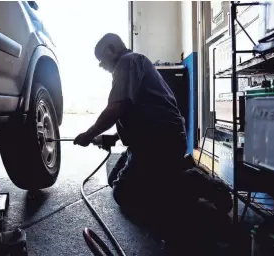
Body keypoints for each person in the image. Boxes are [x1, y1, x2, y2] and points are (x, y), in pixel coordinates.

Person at [74, 33, 189, 211]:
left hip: (162, 142)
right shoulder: (133, 63)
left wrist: (89, 134)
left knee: (124, 192)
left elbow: (115, 109)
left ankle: (194, 181)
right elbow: (132, 115)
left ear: (111, 50)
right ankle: (172, 171)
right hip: (154, 139)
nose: (101, 65)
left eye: (101, 59)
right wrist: (111, 138)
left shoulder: (127, 62)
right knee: (114, 179)